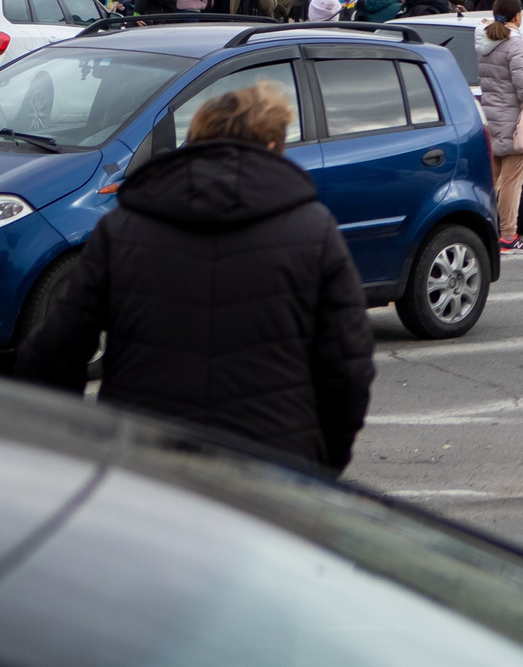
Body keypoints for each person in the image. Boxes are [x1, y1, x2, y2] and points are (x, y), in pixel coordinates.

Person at [13, 80, 375, 473]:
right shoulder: (314, 232)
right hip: (273, 469)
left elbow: (53, 353)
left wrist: (74, 449)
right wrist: (323, 462)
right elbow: (348, 366)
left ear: (196, 139)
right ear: (273, 146)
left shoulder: (123, 228)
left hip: (143, 461)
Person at [473, 0, 523, 254]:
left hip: (491, 117)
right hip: (513, 121)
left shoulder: (486, 43)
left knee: (493, 180)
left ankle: (486, 231)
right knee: (512, 182)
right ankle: (508, 235)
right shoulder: (514, 44)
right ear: (517, 16)